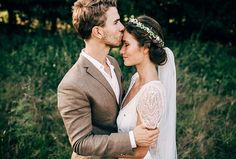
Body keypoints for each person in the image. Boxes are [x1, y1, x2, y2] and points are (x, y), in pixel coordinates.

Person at [57, 1, 159, 159]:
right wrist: (132, 138)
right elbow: (80, 143)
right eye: (116, 22)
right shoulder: (72, 84)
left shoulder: (113, 63)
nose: (122, 27)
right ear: (98, 32)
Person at [117, 15, 177, 158]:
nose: (121, 51)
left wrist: (102, 151)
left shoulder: (152, 92)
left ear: (146, 47)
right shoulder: (136, 79)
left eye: (126, 44)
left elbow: (139, 153)